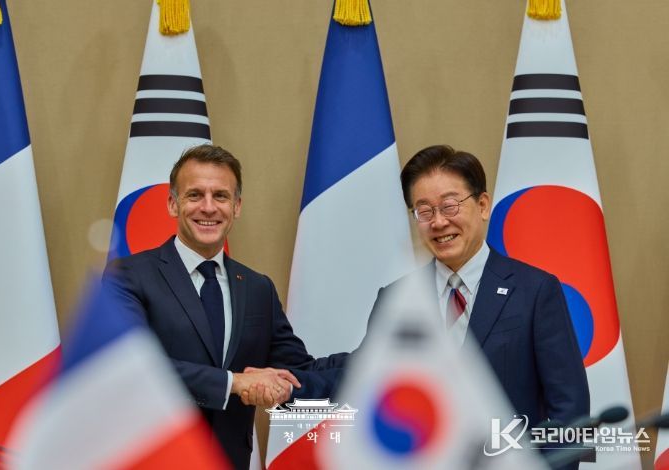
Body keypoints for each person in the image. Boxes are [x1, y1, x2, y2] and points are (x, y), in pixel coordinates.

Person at [314, 144, 590, 431]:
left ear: (482, 206)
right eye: (424, 211)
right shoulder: (397, 298)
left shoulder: (535, 290)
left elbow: (570, 409)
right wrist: (291, 382)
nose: (438, 222)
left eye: (449, 206)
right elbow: (363, 377)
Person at [102, 144, 330, 469]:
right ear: (172, 203)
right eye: (195, 195)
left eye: (220, 196)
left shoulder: (258, 288)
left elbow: (298, 371)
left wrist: (371, 359)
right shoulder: (127, 276)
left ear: (236, 207)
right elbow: (127, 368)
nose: (208, 207)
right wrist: (233, 383)